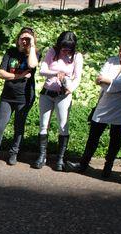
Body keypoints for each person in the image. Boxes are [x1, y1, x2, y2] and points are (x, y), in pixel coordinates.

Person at [68, 38, 121, 178]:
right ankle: (83, 164)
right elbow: (100, 80)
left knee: (115, 137)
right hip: (105, 103)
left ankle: (108, 167)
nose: (120, 53)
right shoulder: (111, 60)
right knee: (93, 135)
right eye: (120, 49)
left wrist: (110, 82)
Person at [0, 27, 39, 166]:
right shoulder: (10, 52)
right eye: (22, 38)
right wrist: (20, 76)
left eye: (27, 39)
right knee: (0, 125)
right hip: (7, 96)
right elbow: (1, 73)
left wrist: (32, 46)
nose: (24, 41)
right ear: (17, 39)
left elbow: (32, 64)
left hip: (24, 97)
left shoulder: (34, 54)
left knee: (19, 126)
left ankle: (13, 153)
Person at [33, 31, 83, 170]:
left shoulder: (77, 56)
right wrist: (56, 73)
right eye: (63, 47)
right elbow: (42, 70)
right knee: (44, 124)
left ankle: (60, 159)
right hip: (47, 92)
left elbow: (77, 77)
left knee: (62, 126)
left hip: (63, 95)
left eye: (69, 48)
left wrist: (70, 87)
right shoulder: (52, 52)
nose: (65, 50)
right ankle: (42, 156)